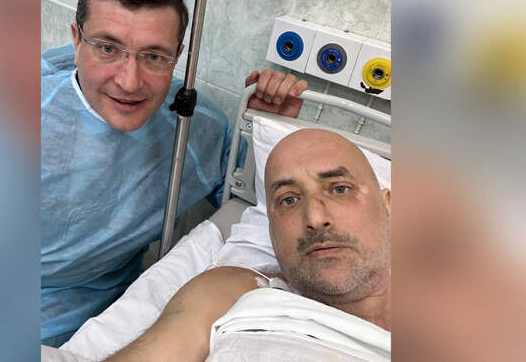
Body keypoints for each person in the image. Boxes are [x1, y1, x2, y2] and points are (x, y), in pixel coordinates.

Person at [41, 0, 308, 346]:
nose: (129, 81)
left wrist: (270, 131)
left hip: (102, 321)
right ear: (76, 40)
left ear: (178, 55)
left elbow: (259, 202)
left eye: (154, 56)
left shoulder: (194, 128)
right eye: (107, 48)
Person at [102, 129, 392, 361]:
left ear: (389, 205)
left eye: (340, 189)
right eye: (289, 200)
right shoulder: (230, 292)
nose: (315, 218)